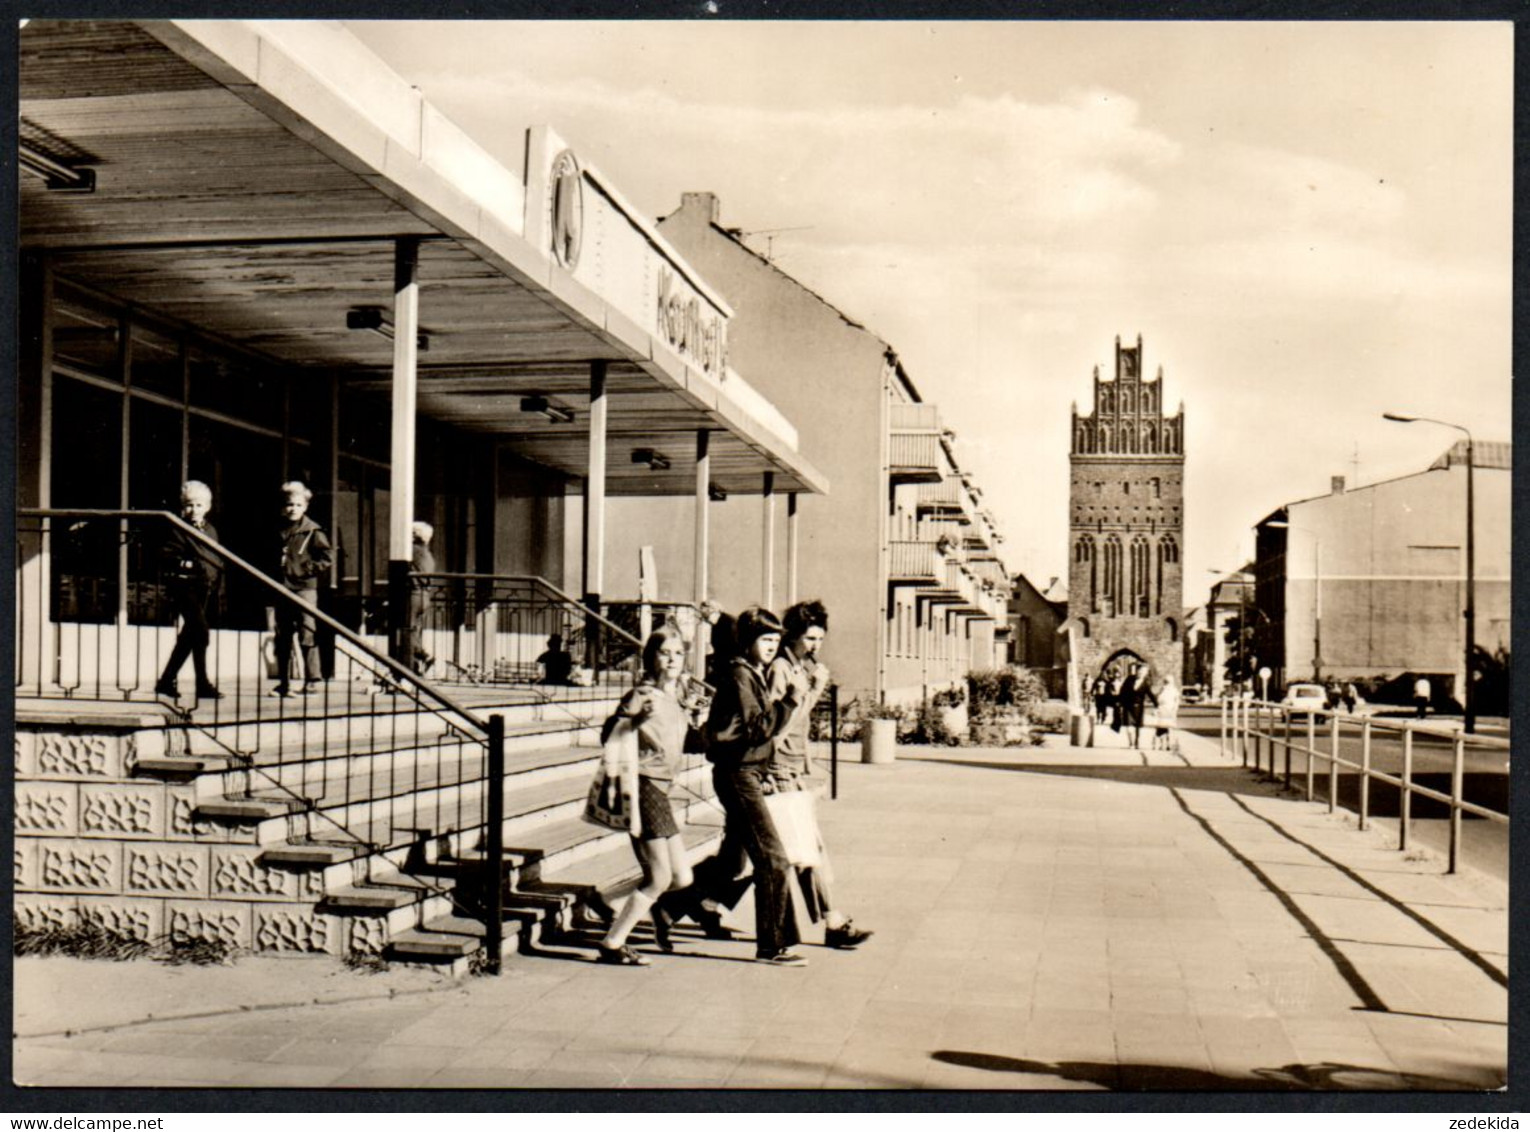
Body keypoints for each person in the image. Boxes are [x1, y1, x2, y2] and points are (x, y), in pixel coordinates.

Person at [682, 607, 807, 965]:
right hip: (739, 777)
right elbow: (756, 728)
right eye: (765, 640)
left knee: (733, 861)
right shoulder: (741, 675)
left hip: (747, 773)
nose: (772, 647)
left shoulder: (749, 672)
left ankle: (669, 907)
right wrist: (789, 702)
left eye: (775, 641)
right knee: (773, 858)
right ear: (748, 642)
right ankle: (772, 945)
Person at [594, 625, 704, 967]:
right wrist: (635, 719)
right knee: (660, 877)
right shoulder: (642, 694)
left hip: (663, 789)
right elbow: (607, 734)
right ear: (651, 657)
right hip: (644, 785)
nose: (671, 659)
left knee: (682, 877)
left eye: (677, 653)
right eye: (664, 652)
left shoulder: (676, 697)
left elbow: (682, 742)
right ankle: (613, 942)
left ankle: (604, 899)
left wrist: (696, 720)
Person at [766, 600, 872, 950]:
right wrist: (814, 690)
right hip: (779, 768)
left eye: (820, 640)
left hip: (792, 767)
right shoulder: (781, 669)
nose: (815, 647)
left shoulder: (796, 667)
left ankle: (682, 905)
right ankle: (833, 921)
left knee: (748, 857)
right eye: (810, 638)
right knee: (806, 850)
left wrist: (808, 764)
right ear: (793, 636)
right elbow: (780, 724)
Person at [154, 481, 224, 702]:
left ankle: (166, 681)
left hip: (205, 587)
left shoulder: (211, 530)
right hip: (184, 586)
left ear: (208, 506)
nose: (194, 509)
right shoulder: (178, 528)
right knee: (200, 632)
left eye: (199, 505)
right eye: (189, 505)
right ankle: (202, 683)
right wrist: (190, 564)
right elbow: (167, 555)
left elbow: (216, 558)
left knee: (190, 636)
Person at [272, 481, 332, 697]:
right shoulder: (279, 529)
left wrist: (306, 569)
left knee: (308, 631)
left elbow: (327, 557)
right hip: (282, 588)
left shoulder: (312, 531)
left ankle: (312, 679)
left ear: (305, 507)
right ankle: (284, 683)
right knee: (283, 635)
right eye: (289, 504)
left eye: (298, 505)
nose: (293, 509)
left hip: (305, 588)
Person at [408, 521, 436, 675]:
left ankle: (421, 656)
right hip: (425, 596)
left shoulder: (412, 551)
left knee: (408, 630)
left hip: (414, 595)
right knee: (415, 630)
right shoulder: (426, 553)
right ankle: (417, 662)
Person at [1119, 663, 1157, 750]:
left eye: (1143, 672)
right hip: (1128, 706)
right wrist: (1120, 702)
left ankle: (1136, 742)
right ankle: (1131, 743)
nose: (1140, 673)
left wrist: (1157, 705)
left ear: (1145, 674)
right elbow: (1122, 690)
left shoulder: (1145, 684)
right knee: (1129, 727)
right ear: (1136, 671)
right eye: (1139, 671)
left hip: (1139, 708)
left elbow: (1150, 694)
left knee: (1137, 727)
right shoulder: (1129, 679)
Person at [1152, 674, 1181, 752]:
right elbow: (1157, 700)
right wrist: (1156, 709)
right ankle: (1161, 745)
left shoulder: (1174, 690)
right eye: (1166, 681)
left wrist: (1175, 710)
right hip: (1162, 710)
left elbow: (1177, 701)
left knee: (1169, 728)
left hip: (1170, 710)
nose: (1167, 683)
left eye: (1169, 682)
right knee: (1161, 728)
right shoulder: (1162, 690)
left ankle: (1169, 744)